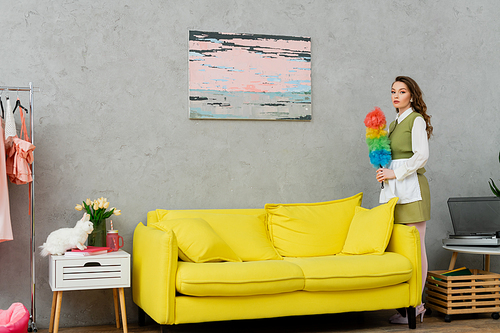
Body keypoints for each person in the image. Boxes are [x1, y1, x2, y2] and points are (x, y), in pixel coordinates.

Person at [376, 76, 433, 324]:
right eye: (393, 91)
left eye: (402, 91)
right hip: (395, 192)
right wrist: (383, 172)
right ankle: (405, 305)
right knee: (400, 249)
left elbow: (422, 156)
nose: (396, 95)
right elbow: (394, 158)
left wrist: (395, 173)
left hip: (413, 192)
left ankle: (417, 305)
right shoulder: (392, 124)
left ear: (412, 95)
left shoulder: (416, 120)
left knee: (416, 248)